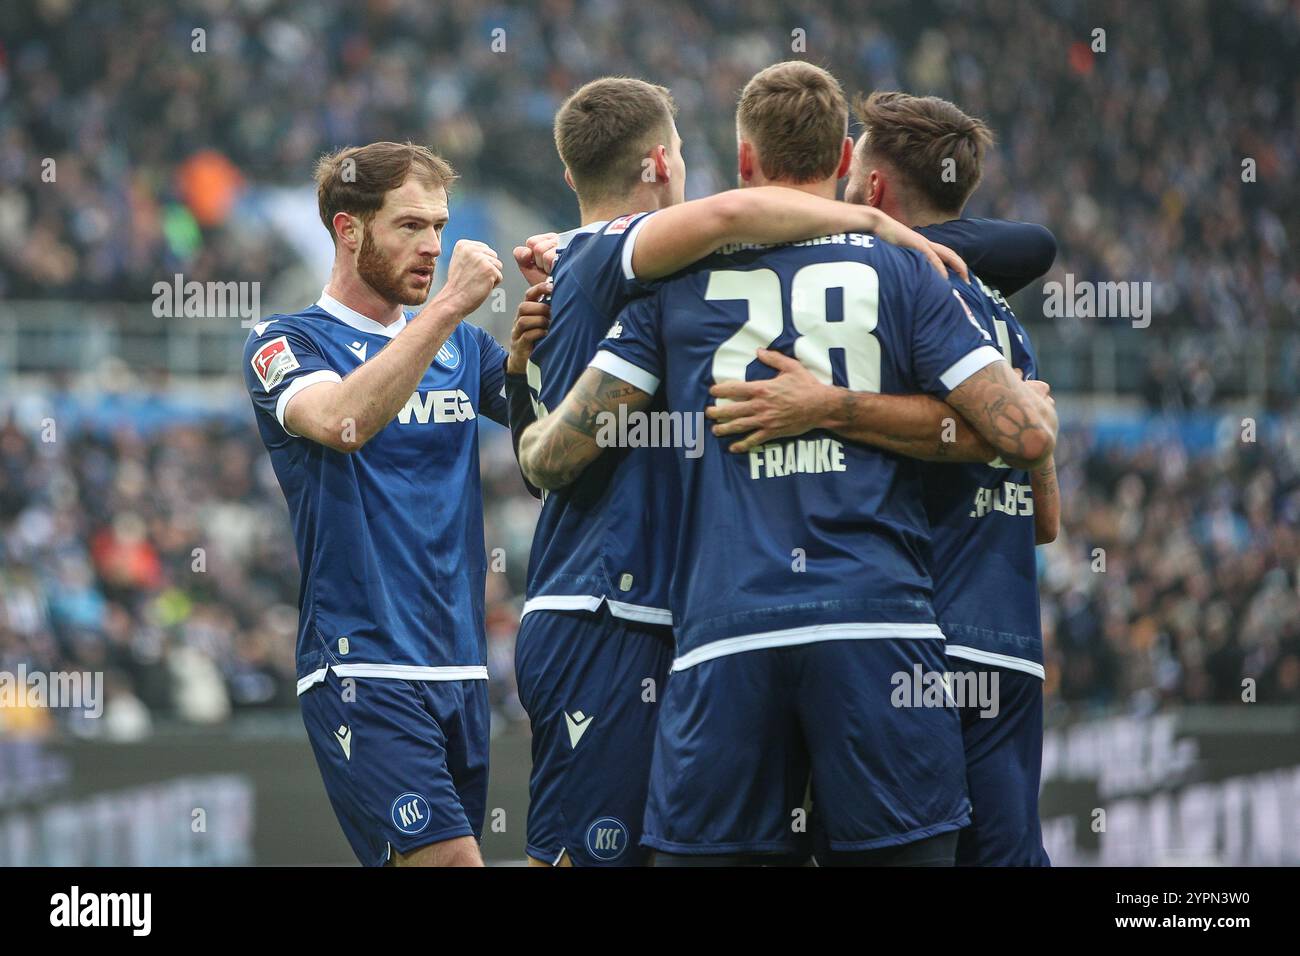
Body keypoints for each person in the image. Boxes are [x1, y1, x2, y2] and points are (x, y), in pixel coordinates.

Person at [518, 62, 1057, 866]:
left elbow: (560, 453)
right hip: (879, 629)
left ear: (742, 162)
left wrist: (529, 424)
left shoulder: (675, 282)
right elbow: (1019, 434)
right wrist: (1021, 410)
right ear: (845, 162)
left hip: (723, 640)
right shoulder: (909, 269)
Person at [709, 91, 1061, 865]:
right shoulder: (1002, 319)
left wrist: (830, 407)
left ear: (870, 190)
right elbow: (1046, 519)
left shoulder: (885, 293)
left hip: (912, 639)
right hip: (1008, 637)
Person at [242, 141, 528, 867]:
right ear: (348, 229)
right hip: (361, 665)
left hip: (461, 669)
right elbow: (344, 422)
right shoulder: (286, 341)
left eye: (439, 225)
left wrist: (546, 335)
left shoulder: (466, 347)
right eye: (409, 226)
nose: (433, 246)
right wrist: (451, 305)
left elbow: (546, 443)